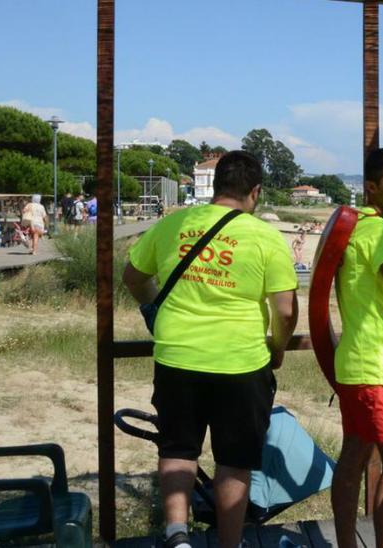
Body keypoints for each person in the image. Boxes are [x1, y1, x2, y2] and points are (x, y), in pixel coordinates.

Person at [121, 151, 298, 548]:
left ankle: (177, 535)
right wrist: (278, 349)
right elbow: (285, 311)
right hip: (241, 361)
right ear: (255, 192)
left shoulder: (173, 225)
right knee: (234, 461)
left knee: (178, 449)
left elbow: (133, 276)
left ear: (216, 185)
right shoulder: (265, 237)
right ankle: (229, 544)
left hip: (177, 355)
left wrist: (153, 309)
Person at [331, 147, 383, 548]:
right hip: (378, 364)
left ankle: (348, 543)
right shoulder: (381, 231)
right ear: (371, 187)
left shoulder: (356, 227)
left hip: (354, 360)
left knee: (353, 459)